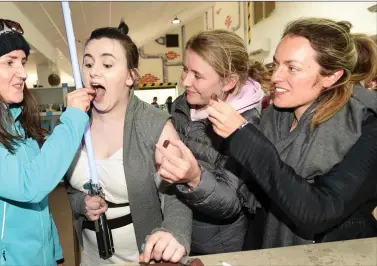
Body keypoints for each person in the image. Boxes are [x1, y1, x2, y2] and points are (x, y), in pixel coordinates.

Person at [207, 18, 377, 249]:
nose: (276, 76)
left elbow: (318, 212)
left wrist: (245, 138)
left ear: (331, 76)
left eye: (292, 68)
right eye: (276, 64)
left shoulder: (366, 127)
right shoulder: (273, 118)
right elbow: (256, 209)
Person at [64, 21, 192, 265]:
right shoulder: (74, 121)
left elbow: (177, 194)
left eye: (107, 64)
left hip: (142, 257)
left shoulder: (155, 125)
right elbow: (69, 187)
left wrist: (174, 234)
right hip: (91, 255)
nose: (93, 72)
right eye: (88, 63)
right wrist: (82, 203)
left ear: (131, 77)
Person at [155, 29, 267, 255]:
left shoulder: (247, 127)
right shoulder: (182, 104)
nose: (186, 81)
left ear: (228, 82)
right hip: (178, 233)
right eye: (185, 70)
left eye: (197, 75)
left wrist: (194, 179)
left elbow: (231, 205)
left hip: (215, 249)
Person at [0, 19, 94, 265]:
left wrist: (54, 253)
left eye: (22, 62)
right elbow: (29, 186)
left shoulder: (18, 125)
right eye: (9, 62)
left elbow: (40, 203)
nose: (22, 72)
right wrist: (72, 118)